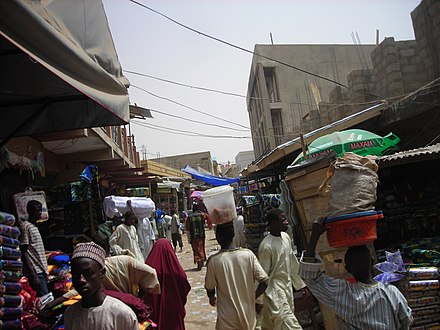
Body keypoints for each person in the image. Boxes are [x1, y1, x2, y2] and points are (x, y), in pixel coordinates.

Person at [298, 217, 413, 329]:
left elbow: (310, 277)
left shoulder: (343, 293)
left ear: (348, 269)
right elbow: (406, 320)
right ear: (372, 262)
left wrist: (315, 235)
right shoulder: (391, 292)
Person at [45, 233, 160, 311]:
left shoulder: (120, 262)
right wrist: (138, 298)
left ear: (102, 272)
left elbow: (75, 291)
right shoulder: (125, 261)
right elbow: (151, 274)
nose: (81, 279)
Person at [205, 222, 268, 330]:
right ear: (233, 234)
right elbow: (264, 281)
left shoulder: (213, 261)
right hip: (248, 316)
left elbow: (210, 287)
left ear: (217, 237)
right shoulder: (248, 255)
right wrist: (252, 297)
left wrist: (211, 298)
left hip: (227, 320)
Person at [64, 242, 139, 329]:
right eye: (76, 274)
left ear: (102, 273)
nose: (81, 280)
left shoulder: (122, 314)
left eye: (88, 273)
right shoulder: (70, 314)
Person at [258, 208, 307, 330]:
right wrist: (258, 300)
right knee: (290, 324)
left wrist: (301, 285)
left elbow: (292, 264)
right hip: (274, 291)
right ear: (274, 223)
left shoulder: (285, 237)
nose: (286, 222)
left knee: (274, 325)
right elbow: (262, 275)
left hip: (287, 287)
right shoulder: (266, 246)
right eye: (283, 220)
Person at [143, 239, 191, 330]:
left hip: (155, 311)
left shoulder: (148, 269)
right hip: (173, 310)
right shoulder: (176, 271)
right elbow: (184, 284)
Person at [18, 200, 49, 297]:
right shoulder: (25, 226)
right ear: (30, 211)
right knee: (45, 299)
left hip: (42, 270)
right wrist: (33, 275)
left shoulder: (35, 227)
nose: (39, 213)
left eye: (40, 210)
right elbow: (24, 251)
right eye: (37, 210)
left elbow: (36, 249)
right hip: (36, 271)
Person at [186, 203, 212, 270]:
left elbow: (187, 228)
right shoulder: (202, 215)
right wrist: (210, 226)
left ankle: (199, 262)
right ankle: (202, 261)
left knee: (196, 249)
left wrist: (188, 238)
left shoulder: (189, 217)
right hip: (201, 235)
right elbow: (208, 218)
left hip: (193, 236)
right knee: (201, 248)